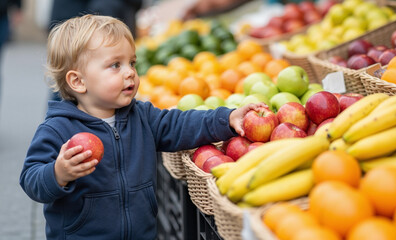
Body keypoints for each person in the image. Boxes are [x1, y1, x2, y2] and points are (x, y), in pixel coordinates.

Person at [19, 14, 265, 239]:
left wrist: (227, 119)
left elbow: (180, 124)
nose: (130, 73)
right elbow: (31, 179)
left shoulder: (141, 116)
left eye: (132, 63)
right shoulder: (58, 130)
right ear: (78, 81)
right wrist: (58, 174)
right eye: (116, 65)